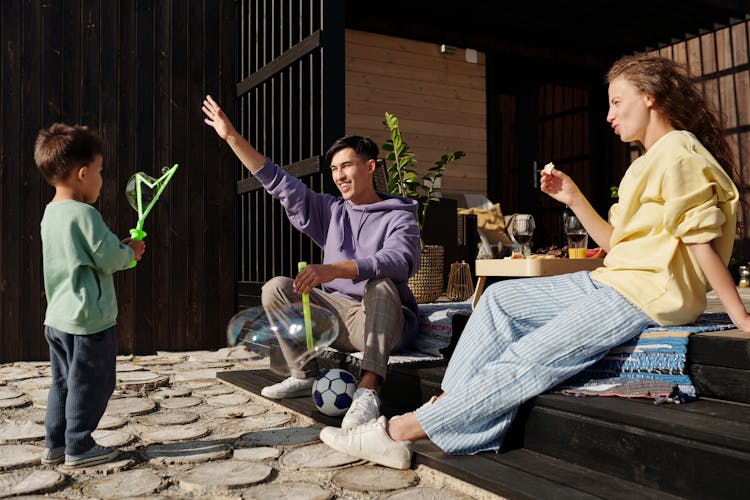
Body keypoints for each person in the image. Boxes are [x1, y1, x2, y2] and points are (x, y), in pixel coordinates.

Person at [317, 53, 750, 469]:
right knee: (498, 301)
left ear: (650, 97)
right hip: (614, 278)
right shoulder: (646, 162)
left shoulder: (679, 150)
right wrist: (573, 198)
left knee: (530, 356)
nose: (609, 115)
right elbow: (619, 245)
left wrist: (741, 316)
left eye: (617, 102)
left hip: (644, 294)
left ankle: (397, 432)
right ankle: (449, 409)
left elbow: (699, 242)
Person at [202, 95, 422, 429]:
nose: (339, 175)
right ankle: (303, 374)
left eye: (346, 165)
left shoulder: (399, 216)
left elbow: (398, 260)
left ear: (370, 167)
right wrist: (232, 137)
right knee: (276, 288)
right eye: (334, 169)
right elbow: (277, 181)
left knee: (381, 284)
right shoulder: (331, 211)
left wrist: (332, 269)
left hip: (380, 321)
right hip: (334, 316)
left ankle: (368, 390)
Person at [34, 123, 146, 467]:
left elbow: (85, 255)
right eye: (99, 171)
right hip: (88, 322)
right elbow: (109, 257)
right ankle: (79, 446)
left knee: (63, 383)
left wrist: (117, 248)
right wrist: (131, 254)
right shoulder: (85, 214)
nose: (101, 178)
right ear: (82, 174)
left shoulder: (51, 214)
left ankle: (55, 443)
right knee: (93, 384)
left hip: (58, 318)